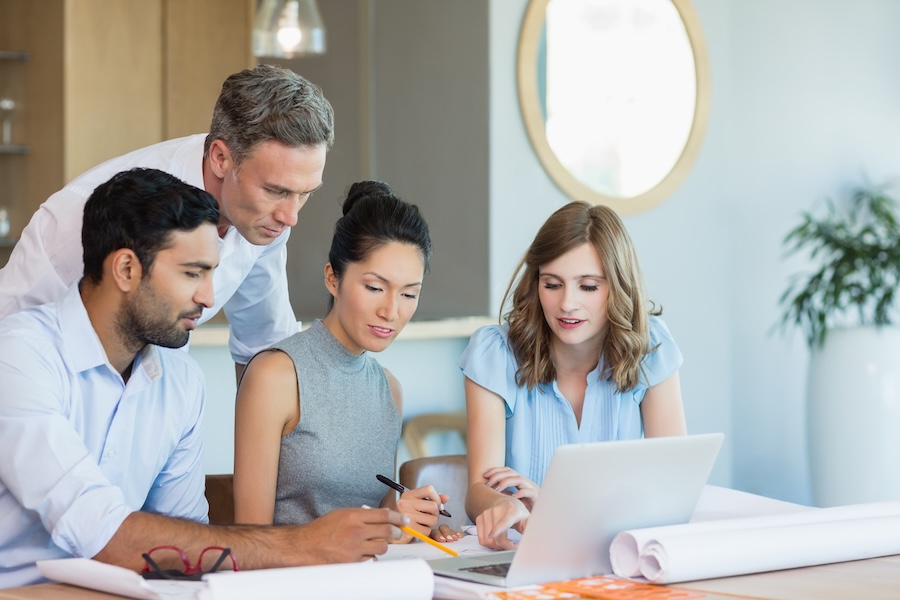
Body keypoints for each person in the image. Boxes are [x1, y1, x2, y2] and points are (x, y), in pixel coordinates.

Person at [0, 169, 405, 589]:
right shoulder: (19, 358)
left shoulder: (180, 380)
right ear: (126, 269)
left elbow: (187, 544)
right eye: (193, 273)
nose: (208, 298)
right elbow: (102, 533)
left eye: (212, 274)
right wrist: (303, 543)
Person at [0, 64, 334, 379]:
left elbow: (264, 348)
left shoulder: (266, 218)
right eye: (275, 191)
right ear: (221, 158)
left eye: (305, 193)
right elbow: (9, 340)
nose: (291, 217)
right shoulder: (83, 217)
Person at [233, 181, 461, 544]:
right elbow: (251, 540)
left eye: (409, 294)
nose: (391, 311)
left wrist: (412, 525)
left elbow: (378, 515)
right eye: (374, 288)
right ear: (332, 278)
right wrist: (370, 531)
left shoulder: (389, 389)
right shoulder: (275, 376)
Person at [462, 201, 687, 550]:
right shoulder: (495, 354)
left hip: (617, 553)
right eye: (552, 284)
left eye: (589, 287)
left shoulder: (650, 348)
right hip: (525, 552)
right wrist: (504, 505)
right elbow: (478, 490)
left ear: (618, 287)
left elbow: (675, 485)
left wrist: (554, 505)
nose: (567, 303)